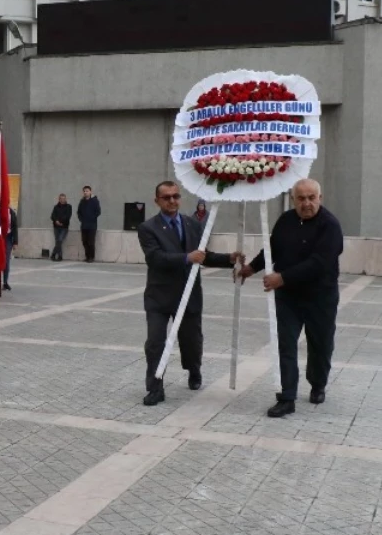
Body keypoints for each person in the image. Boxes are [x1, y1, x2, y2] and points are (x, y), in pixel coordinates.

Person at [240, 179, 344, 418]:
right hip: (288, 298)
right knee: (284, 345)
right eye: (301, 198)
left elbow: (320, 263)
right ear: (293, 199)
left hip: (320, 297)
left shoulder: (330, 225)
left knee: (320, 345)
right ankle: (286, 396)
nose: (306, 203)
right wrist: (251, 268)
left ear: (320, 198)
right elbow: (271, 249)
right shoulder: (285, 221)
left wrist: (283, 277)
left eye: (311, 198)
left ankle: (318, 384)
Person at [139, 181, 240, 405]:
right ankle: (155, 387)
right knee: (155, 342)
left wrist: (228, 259)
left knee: (191, 342)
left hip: (189, 295)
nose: (172, 201)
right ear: (157, 201)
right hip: (160, 297)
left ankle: (194, 370)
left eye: (176, 196)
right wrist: (186, 258)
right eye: (166, 197)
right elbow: (155, 258)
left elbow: (204, 255)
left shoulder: (192, 224)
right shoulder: (148, 228)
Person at [77, 186, 102, 263]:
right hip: (84, 225)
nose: (85, 192)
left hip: (92, 225)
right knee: (84, 242)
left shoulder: (95, 201)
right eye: (84, 191)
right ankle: (87, 256)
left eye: (87, 191)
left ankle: (91, 257)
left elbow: (98, 212)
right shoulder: (82, 201)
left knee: (91, 242)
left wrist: (92, 218)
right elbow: (79, 212)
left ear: (90, 192)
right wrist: (81, 219)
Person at [49, 194, 71, 261]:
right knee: (58, 242)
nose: (62, 200)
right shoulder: (56, 207)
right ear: (59, 199)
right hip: (56, 227)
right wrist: (56, 221)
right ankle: (60, 256)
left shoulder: (69, 207)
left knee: (60, 240)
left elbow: (68, 216)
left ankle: (53, 254)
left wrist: (61, 222)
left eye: (64, 198)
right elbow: (52, 216)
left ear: (66, 199)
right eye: (61, 198)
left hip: (64, 227)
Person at [3, 206, 18, 292]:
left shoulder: (11, 212)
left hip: (8, 238)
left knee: (6, 261)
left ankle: (5, 282)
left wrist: (15, 242)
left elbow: (15, 227)